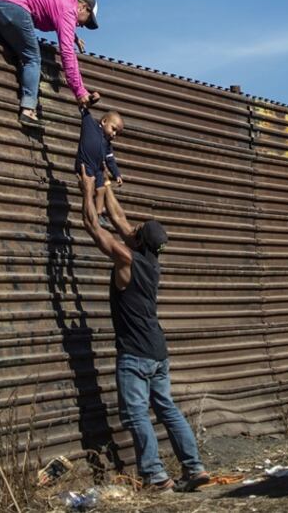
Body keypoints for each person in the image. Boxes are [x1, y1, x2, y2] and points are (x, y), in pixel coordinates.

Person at [77, 167, 212, 493]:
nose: (131, 227)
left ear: (138, 240)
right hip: (158, 352)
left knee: (136, 414)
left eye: (136, 230)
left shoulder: (126, 259)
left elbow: (94, 226)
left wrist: (86, 188)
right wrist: (106, 185)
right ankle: (195, 468)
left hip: (136, 354)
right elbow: (120, 220)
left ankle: (155, 476)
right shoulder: (150, 259)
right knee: (167, 408)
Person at [0, 0, 101, 129]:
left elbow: (55, 16)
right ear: (82, 7)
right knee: (33, 58)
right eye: (87, 21)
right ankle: (28, 110)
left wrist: (73, 36)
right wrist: (80, 91)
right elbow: (67, 53)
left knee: (15, 48)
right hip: (12, 7)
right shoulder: (69, 8)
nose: (82, 26)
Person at [76, 108, 124, 228]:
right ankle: (90, 214)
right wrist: (87, 102)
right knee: (89, 188)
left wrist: (117, 174)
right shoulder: (90, 126)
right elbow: (84, 109)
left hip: (98, 168)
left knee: (101, 190)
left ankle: (99, 214)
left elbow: (110, 160)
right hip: (85, 164)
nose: (114, 134)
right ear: (104, 121)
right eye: (113, 129)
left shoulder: (107, 145)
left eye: (117, 133)